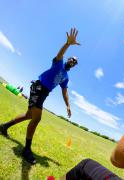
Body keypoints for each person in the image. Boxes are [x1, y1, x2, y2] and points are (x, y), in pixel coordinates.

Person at [0, 27, 80, 164]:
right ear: (68, 59)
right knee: (36, 119)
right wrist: (67, 44)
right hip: (39, 87)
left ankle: (3, 127)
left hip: (45, 93)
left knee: (28, 116)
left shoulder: (66, 77)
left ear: (74, 66)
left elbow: (64, 91)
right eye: (71, 59)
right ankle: (26, 150)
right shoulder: (58, 63)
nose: (72, 61)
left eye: (75, 62)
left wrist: (68, 105)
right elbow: (60, 54)